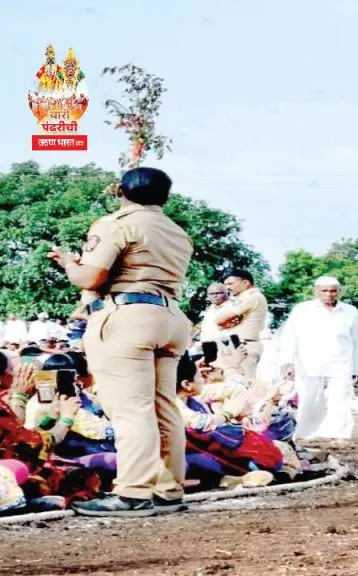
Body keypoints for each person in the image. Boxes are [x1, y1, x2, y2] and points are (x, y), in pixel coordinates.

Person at [47, 166, 193, 517]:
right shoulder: (177, 232)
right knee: (164, 407)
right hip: (170, 316)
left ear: (121, 191)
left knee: (131, 410)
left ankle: (133, 492)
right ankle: (167, 489)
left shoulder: (115, 223)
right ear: (165, 196)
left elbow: (90, 277)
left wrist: (70, 264)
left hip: (127, 316)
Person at [278, 276, 358, 446]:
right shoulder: (302, 310)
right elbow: (290, 337)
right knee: (310, 398)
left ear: (339, 291)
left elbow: (356, 340)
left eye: (333, 290)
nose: (329, 294)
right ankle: (306, 433)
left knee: (340, 399)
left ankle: (340, 434)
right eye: (324, 290)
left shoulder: (350, 311)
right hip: (309, 362)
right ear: (316, 291)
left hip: (341, 362)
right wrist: (287, 361)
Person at [215, 269, 268, 378]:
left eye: (230, 283)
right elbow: (221, 324)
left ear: (246, 282)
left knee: (242, 385)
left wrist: (224, 322)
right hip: (235, 346)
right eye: (225, 285)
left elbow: (219, 320)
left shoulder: (251, 296)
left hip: (244, 347)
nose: (228, 288)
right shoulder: (241, 298)